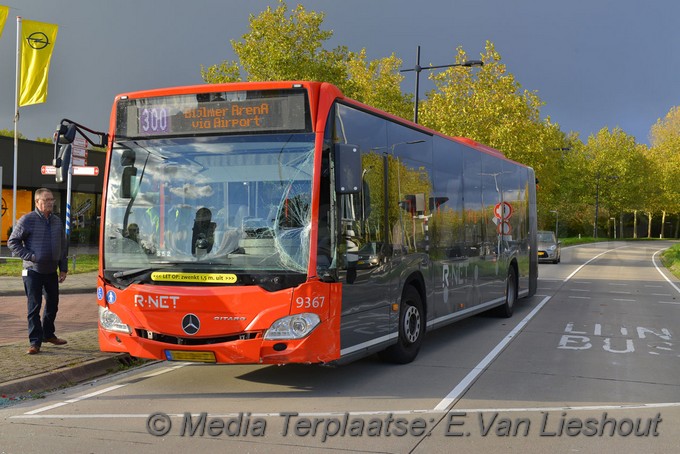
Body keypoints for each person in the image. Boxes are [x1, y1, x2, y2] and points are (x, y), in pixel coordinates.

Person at [8, 188, 69, 355]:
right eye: (46, 200)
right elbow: (12, 242)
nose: (50, 202)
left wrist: (63, 268)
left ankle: (48, 334)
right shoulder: (27, 220)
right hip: (32, 271)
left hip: (51, 272)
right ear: (37, 202)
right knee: (34, 307)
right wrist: (31, 256)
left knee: (53, 304)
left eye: (52, 199)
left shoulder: (57, 221)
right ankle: (35, 342)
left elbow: (63, 247)